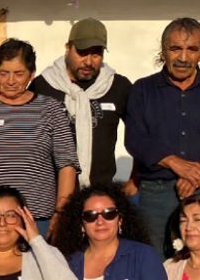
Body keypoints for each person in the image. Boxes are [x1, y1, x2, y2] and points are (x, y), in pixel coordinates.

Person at [125, 18, 200, 257]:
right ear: (163, 51)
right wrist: (177, 164)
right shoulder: (143, 90)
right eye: (175, 48)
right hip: (157, 193)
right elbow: (136, 139)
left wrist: (198, 173)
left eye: (192, 49)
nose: (183, 57)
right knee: (156, 260)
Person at [0, 39, 78, 242]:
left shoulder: (51, 109)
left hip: (37, 218)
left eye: (19, 74)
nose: (10, 80)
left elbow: (67, 165)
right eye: (4, 73)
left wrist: (60, 213)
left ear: (32, 74)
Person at [31, 18, 135, 191]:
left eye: (96, 54)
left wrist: (134, 179)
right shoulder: (44, 85)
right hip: (51, 193)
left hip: (101, 193)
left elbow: (140, 132)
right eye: (82, 53)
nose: (88, 61)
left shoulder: (117, 86)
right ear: (67, 49)